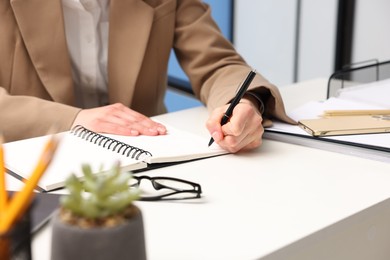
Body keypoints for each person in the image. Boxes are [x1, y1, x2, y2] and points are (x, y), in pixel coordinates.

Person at [0, 0, 294, 153]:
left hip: (149, 162)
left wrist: (243, 102)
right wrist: (74, 119)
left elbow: (217, 62)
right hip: (31, 168)